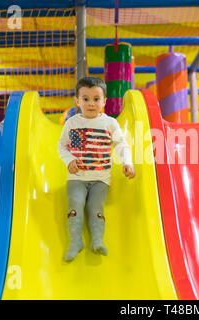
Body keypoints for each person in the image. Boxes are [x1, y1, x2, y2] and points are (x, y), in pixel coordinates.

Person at [58, 76, 135, 261]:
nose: (91, 104)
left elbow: (121, 144)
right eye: (85, 99)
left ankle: (97, 241)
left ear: (104, 102)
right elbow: (62, 146)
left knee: (95, 206)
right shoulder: (73, 124)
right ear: (77, 101)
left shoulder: (109, 123)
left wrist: (127, 162)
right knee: (75, 205)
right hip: (77, 177)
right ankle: (76, 242)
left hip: (101, 179)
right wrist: (69, 160)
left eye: (96, 99)